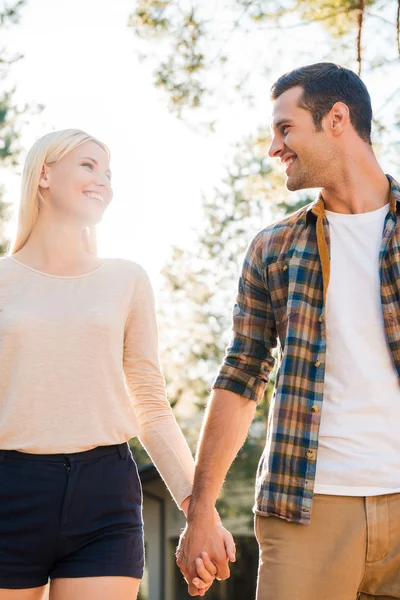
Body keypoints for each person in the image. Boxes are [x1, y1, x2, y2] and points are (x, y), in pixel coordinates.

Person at [176, 63, 400, 599]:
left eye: (285, 128)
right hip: (306, 507)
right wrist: (201, 506)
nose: (274, 147)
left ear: (337, 119)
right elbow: (241, 374)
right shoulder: (275, 248)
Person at [0, 129, 234, 600]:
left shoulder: (125, 279)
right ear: (43, 174)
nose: (103, 181)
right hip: (10, 489)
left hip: (105, 492)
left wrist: (199, 509)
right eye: (88, 165)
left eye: (108, 173)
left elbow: (149, 400)